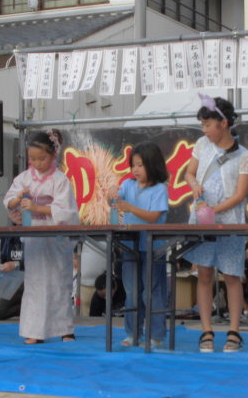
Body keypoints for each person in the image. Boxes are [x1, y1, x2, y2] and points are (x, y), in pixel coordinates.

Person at [184, 94, 248, 352]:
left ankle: (234, 331)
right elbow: (189, 173)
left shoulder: (243, 155)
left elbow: (239, 194)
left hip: (230, 222)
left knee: (232, 275)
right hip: (202, 219)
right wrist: (194, 186)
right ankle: (206, 331)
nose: (204, 130)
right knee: (203, 274)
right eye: (202, 125)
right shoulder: (202, 145)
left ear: (223, 124)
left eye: (207, 124)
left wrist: (214, 210)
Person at [3, 129, 80, 344]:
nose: (37, 163)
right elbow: (9, 201)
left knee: (59, 282)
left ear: (53, 155)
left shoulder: (60, 180)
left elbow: (66, 211)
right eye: (33, 159)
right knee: (35, 283)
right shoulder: (24, 178)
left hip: (55, 237)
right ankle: (34, 330)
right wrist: (16, 200)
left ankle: (65, 328)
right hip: (34, 236)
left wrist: (38, 207)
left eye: (42, 158)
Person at [107, 141, 169, 347]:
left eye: (140, 165)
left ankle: (156, 335)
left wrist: (130, 208)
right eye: (133, 165)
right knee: (132, 291)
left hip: (153, 247)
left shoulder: (159, 189)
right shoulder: (127, 185)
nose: (136, 169)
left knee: (152, 291)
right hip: (130, 246)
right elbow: (114, 201)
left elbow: (153, 216)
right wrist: (111, 192)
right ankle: (132, 333)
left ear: (153, 164)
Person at [0, 209, 24, 321]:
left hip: (32, 278)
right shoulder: (6, 234)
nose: (18, 214)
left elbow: (38, 260)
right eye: (14, 212)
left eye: (21, 211)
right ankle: (27, 308)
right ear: (9, 215)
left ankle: (35, 307)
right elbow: (3, 260)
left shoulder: (36, 230)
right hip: (13, 281)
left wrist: (16, 264)